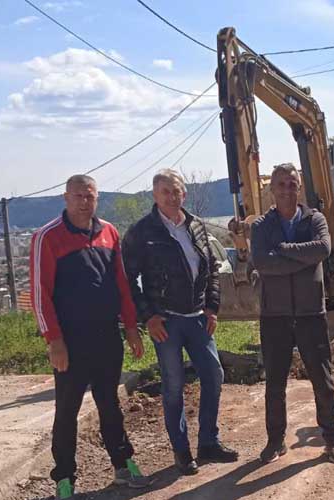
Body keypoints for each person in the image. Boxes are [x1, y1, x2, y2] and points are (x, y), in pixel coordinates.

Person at [30, 174, 151, 499]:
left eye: (90, 196)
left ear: (96, 198)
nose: (85, 202)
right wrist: (54, 340)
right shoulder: (47, 237)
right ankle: (64, 478)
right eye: (78, 196)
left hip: (107, 335)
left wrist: (130, 327)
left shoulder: (109, 232)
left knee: (109, 402)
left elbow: (121, 284)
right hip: (70, 340)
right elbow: (40, 294)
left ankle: (123, 464)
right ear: (66, 198)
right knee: (67, 410)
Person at [122, 169, 238, 476]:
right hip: (166, 321)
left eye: (176, 191)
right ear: (155, 195)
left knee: (213, 374)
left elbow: (211, 269)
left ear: (184, 194)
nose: (171, 197)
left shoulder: (196, 225)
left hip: (198, 318)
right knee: (173, 385)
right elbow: (127, 278)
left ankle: (208, 442)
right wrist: (148, 316)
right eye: (165, 192)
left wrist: (212, 307)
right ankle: (181, 450)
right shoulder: (142, 232)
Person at [249, 163, 334, 465]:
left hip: (310, 313)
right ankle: (275, 441)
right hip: (274, 316)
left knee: (322, 380)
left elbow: (322, 249)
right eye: (281, 184)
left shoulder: (314, 218)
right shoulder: (261, 226)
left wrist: (283, 249)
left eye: (292, 184)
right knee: (275, 383)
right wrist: (302, 258)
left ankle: (333, 439)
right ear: (271, 189)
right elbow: (263, 263)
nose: (287, 190)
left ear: (299, 187)